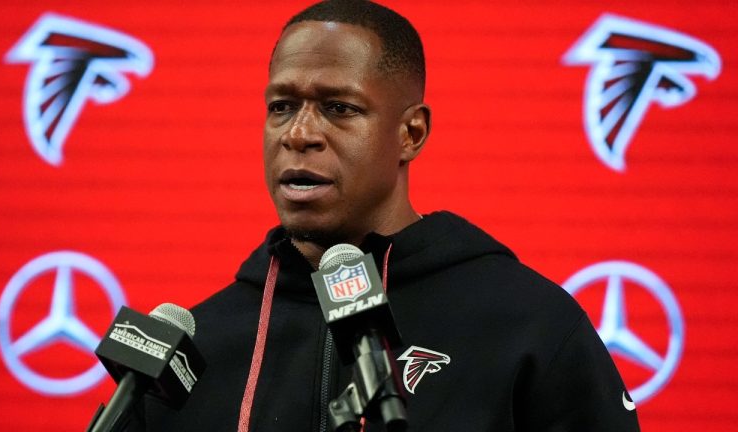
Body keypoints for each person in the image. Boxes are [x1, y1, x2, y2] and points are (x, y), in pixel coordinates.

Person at [131, 1, 641, 430]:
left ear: (411, 133)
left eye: (339, 108)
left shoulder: (528, 324)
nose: (298, 134)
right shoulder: (191, 352)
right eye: (282, 106)